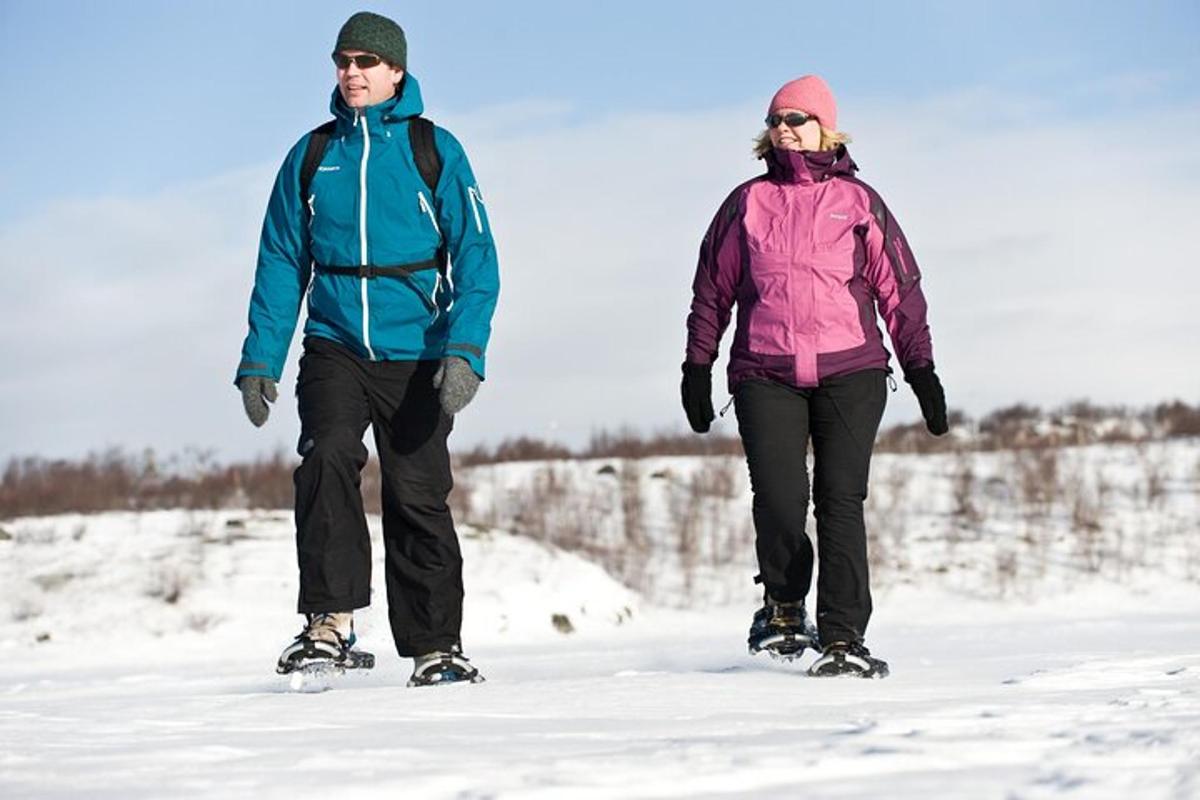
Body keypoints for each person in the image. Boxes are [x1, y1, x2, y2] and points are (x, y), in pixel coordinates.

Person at [234, 12, 499, 687]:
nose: (352, 72)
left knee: (417, 492)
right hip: (334, 343)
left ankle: (437, 646)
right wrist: (260, 358)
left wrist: (465, 350)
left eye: (366, 62)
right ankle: (329, 622)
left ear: (396, 72)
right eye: (343, 61)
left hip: (417, 348)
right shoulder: (313, 155)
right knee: (326, 458)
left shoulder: (433, 147)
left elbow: (476, 257)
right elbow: (280, 262)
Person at [681, 75, 947, 678]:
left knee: (840, 501)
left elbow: (899, 290)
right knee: (779, 498)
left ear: (825, 127)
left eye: (797, 118)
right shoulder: (745, 203)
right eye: (776, 119)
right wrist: (697, 364)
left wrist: (921, 367)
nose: (784, 128)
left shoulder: (859, 202)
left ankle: (844, 637)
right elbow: (710, 292)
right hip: (764, 372)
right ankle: (782, 603)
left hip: (850, 370)